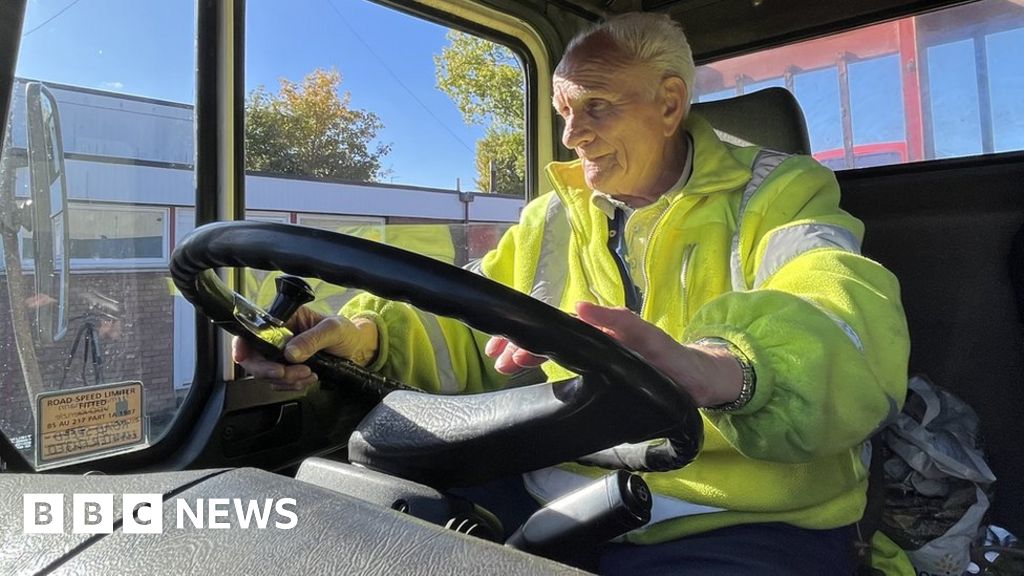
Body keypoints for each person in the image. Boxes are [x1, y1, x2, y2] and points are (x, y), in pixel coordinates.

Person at [236, 12, 910, 575]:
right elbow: (467, 324)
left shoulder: (782, 194)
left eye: (597, 107)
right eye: (563, 111)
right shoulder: (554, 216)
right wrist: (360, 335)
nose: (571, 135)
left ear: (671, 104)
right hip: (552, 490)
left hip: (736, 515)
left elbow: (842, 314)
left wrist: (722, 369)